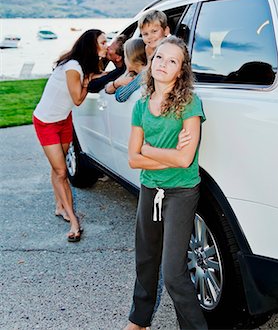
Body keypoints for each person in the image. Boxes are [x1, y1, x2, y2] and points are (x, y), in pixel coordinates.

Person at [124, 36, 208, 330]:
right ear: (151, 60)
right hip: (150, 188)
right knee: (145, 259)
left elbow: (185, 161)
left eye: (172, 61)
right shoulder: (142, 105)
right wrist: (168, 155)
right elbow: (132, 160)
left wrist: (148, 150)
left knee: (173, 273)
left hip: (181, 192)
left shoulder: (189, 103)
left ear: (181, 70)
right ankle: (139, 319)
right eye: (159, 57)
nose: (163, 64)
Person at [33, 29, 107, 243]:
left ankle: (59, 205)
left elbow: (98, 76)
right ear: (92, 45)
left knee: (58, 168)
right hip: (46, 122)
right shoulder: (73, 67)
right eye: (103, 42)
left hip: (64, 120)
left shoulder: (83, 65)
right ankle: (73, 220)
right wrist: (87, 81)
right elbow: (77, 99)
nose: (106, 45)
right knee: (61, 171)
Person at [105, 37, 147, 102]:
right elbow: (107, 89)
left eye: (125, 56)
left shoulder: (143, 76)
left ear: (131, 58)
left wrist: (121, 81)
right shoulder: (140, 74)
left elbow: (120, 96)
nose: (124, 60)